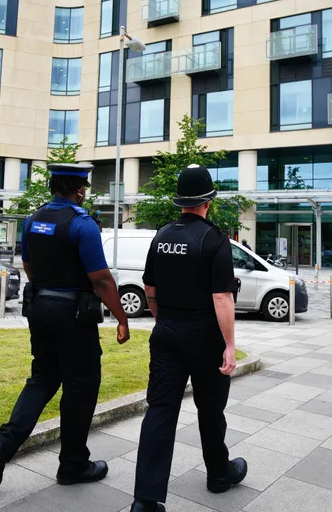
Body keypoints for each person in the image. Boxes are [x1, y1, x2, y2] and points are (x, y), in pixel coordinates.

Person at [0, 162, 130, 490]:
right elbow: (101, 279)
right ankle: (73, 466)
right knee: (81, 385)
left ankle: (3, 444)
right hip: (73, 316)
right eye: (84, 188)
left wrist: (48, 293)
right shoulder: (82, 224)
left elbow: (28, 265)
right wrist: (121, 318)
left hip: (39, 309)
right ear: (79, 189)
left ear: (53, 187)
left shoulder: (33, 219)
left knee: (42, 379)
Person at [130, 165, 246, 512]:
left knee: (160, 411)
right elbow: (222, 296)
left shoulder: (161, 235)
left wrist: (162, 319)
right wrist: (229, 345)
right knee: (210, 409)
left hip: (167, 332)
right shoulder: (214, 239)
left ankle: (146, 500)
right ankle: (218, 474)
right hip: (205, 336)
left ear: (179, 201)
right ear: (208, 201)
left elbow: (150, 288)